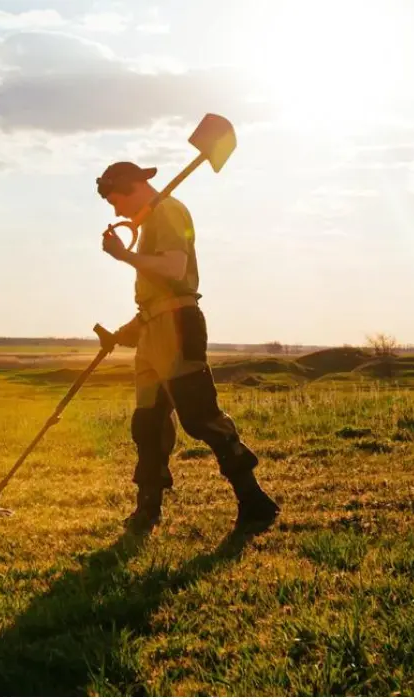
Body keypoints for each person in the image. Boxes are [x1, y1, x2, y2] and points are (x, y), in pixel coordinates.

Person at [95, 160, 280, 534]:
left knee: (199, 417)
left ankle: (254, 501)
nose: (115, 211)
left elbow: (175, 271)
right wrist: (134, 327)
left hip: (178, 328)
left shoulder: (169, 211)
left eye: (115, 200)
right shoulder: (150, 220)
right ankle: (147, 510)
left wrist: (124, 256)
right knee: (147, 423)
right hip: (153, 328)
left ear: (129, 186)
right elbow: (159, 289)